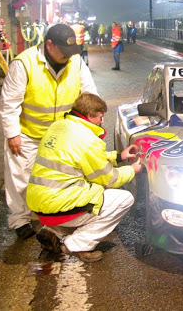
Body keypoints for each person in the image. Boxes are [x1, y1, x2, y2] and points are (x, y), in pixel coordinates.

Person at [0, 24, 97, 240]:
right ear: (49, 45)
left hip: (61, 137)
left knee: (59, 177)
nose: (68, 57)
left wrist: (91, 124)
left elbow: (89, 93)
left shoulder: (76, 62)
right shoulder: (24, 63)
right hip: (28, 134)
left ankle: (52, 214)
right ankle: (20, 219)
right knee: (20, 178)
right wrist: (12, 133)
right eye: (64, 52)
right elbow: (9, 102)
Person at [26, 93, 141, 263]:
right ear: (89, 116)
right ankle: (78, 244)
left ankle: (52, 231)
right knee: (122, 198)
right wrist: (132, 169)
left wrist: (118, 156)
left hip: (38, 202)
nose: (102, 121)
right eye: (100, 117)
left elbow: (82, 157)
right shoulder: (88, 139)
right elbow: (110, 178)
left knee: (84, 190)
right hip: (59, 204)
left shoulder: (58, 126)